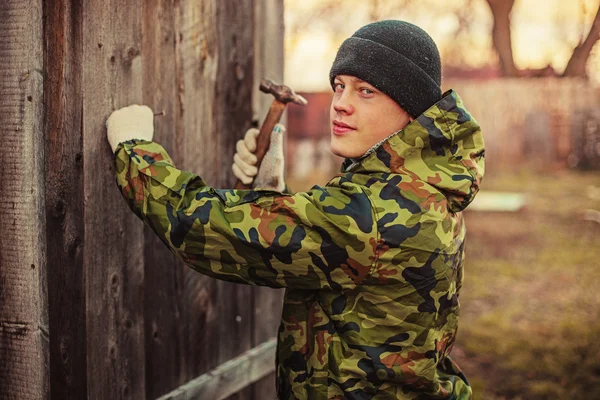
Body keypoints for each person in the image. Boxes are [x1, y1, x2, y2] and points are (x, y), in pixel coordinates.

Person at [106, 20, 484, 400]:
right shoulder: (428, 187)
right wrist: (273, 194)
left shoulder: (369, 214)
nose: (341, 103)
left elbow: (205, 229)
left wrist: (135, 151)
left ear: (410, 107)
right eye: (339, 86)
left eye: (366, 91)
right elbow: (340, 261)